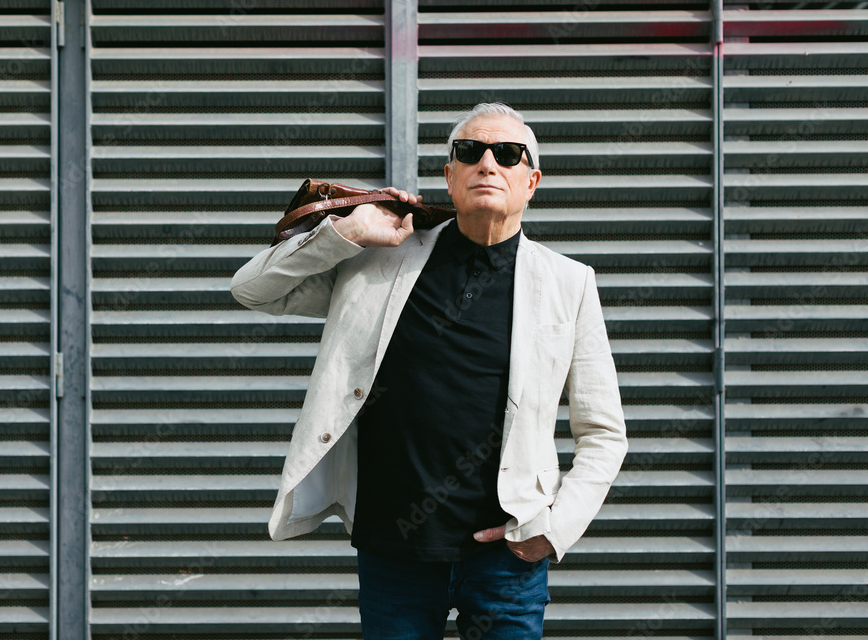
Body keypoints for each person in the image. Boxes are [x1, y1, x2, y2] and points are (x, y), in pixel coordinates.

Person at [231, 102, 628, 639]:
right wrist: (342, 233)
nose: (487, 163)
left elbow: (604, 432)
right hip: (395, 549)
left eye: (507, 154)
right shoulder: (380, 258)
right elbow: (251, 288)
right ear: (449, 174)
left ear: (531, 181)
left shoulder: (568, 284)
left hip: (507, 556)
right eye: (470, 152)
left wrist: (554, 531)